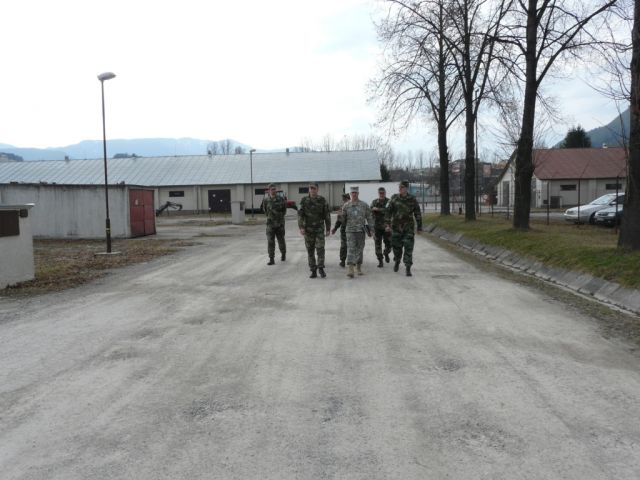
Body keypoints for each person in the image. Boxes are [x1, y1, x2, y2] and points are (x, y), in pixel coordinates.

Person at [385, 180, 423, 276]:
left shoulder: (412, 199)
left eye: (402, 187)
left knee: (408, 247)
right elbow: (388, 211)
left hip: (408, 228)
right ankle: (397, 261)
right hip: (396, 227)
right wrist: (387, 225)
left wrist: (419, 227)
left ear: (406, 188)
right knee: (396, 248)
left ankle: (408, 267)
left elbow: (417, 213)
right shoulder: (394, 198)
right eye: (399, 187)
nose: (400, 189)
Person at [298, 182, 331, 278]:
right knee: (310, 250)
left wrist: (328, 228)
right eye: (311, 188)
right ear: (309, 189)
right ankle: (313, 270)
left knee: (320, 249)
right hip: (308, 230)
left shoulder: (322, 200)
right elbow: (300, 215)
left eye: (314, 188)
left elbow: (327, 215)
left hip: (319, 229)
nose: (312, 190)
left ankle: (320, 268)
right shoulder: (304, 200)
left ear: (317, 189)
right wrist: (301, 227)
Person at [341, 185, 373, 278]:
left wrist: (371, 229)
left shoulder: (364, 205)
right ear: (350, 194)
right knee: (351, 249)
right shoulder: (346, 205)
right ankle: (350, 268)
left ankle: (358, 267)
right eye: (352, 193)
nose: (354, 194)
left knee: (360, 249)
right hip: (350, 230)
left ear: (358, 193)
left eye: (355, 193)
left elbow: (369, 217)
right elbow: (343, 220)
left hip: (361, 231)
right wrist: (341, 217)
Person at [262, 183, 287, 265]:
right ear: (269, 190)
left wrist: (279, 218)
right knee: (270, 241)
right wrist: (271, 217)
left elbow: (284, 211)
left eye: (274, 189)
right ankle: (271, 259)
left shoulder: (281, 199)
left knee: (281, 240)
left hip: (279, 224)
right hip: (270, 224)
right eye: (272, 189)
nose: (273, 191)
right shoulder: (266, 200)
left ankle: (283, 253)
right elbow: (265, 211)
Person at [370, 187, 392, 268]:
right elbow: (371, 210)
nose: (381, 194)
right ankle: (380, 261)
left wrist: (378, 209)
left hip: (387, 227)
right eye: (380, 193)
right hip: (377, 227)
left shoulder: (389, 201)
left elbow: (388, 211)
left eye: (383, 193)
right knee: (377, 244)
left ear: (385, 193)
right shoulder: (374, 201)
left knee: (389, 244)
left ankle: (386, 253)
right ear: (378, 193)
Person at [330, 193, 351, 267]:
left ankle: (353, 261)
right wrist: (335, 228)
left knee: (352, 245)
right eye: (344, 199)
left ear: (349, 199)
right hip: (344, 230)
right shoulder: (341, 207)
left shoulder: (353, 206)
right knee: (343, 245)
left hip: (352, 229)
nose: (344, 201)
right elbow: (339, 220)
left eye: (346, 199)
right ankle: (343, 261)